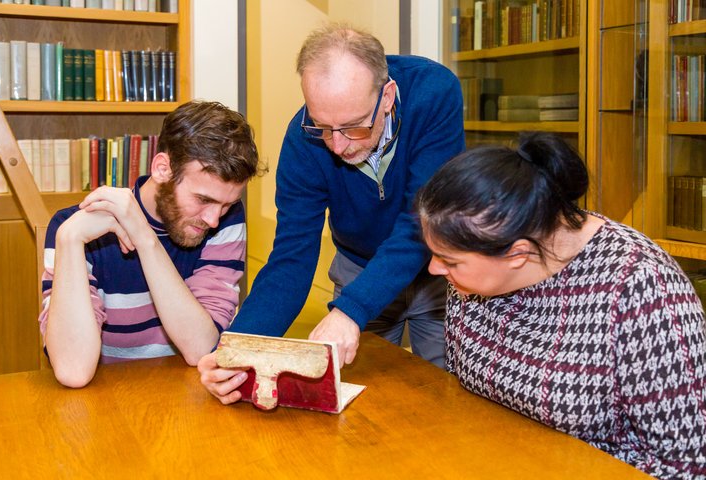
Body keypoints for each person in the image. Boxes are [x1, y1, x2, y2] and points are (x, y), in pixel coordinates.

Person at [414, 131, 706, 479]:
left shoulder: (640, 288)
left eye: (449, 260)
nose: (434, 268)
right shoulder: (472, 273)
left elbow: (687, 464)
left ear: (518, 254)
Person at [197, 23, 465, 400]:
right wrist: (235, 352)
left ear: (386, 97)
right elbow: (292, 257)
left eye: (353, 127)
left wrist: (351, 309)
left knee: (446, 398)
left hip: (439, 272)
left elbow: (420, 220)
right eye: (324, 126)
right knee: (363, 402)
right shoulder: (302, 139)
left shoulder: (433, 94)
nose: (337, 145)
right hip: (358, 269)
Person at [39, 100, 261, 388]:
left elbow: (200, 348)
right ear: (163, 169)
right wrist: (68, 240)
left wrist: (144, 238)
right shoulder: (74, 228)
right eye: (203, 199)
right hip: (102, 399)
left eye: (226, 204)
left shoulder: (225, 220)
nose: (213, 219)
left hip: (184, 396)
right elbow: (73, 371)